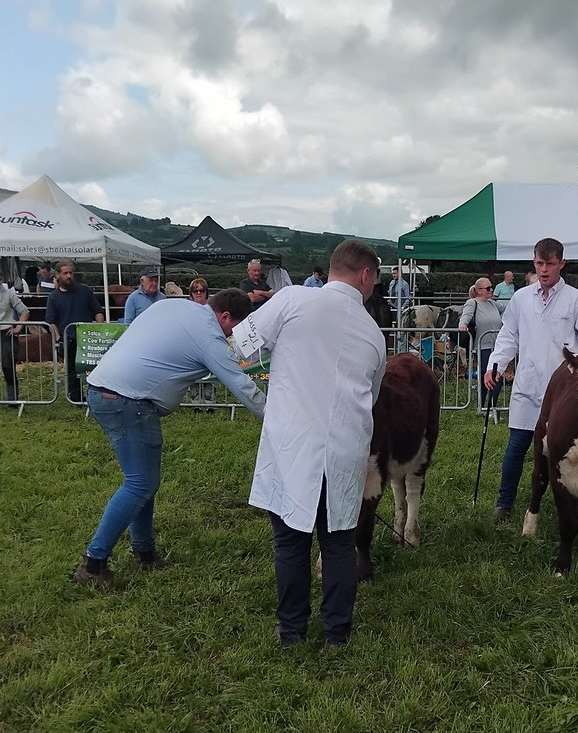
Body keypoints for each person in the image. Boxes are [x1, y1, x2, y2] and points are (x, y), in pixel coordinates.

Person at [71, 289, 268, 585]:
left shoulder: (173, 307)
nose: (233, 335)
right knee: (140, 484)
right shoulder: (208, 335)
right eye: (234, 328)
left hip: (108, 392)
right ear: (225, 316)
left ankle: (145, 552)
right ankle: (93, 564)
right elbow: (243, 387)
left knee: (143, 481)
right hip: (129, 401)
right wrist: (279, 420)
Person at [246, 239, 387, 648]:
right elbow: (372, 394)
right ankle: (336, 635)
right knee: (340, 541)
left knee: (290, 540)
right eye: (375, 280)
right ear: (365, 275)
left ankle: (291, 631)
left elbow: (240, 348)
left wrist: (273, 386)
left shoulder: (291, 301)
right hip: (344, 445)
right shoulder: (373, 334)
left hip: (293, 441)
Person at [486, 238, 578, 522]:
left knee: (569, 451)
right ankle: (505, 502)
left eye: (550, 263)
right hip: (528, 384)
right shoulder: (521, 298)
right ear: (533, 262)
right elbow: (508, 335)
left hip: (564, 391)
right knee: (516, 447)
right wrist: (495, 364)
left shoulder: (577, 299)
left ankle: (575, 502)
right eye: (539, 263)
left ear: (561, 263)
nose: (544, 269)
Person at [45, 262, 105, 403]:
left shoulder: (84, 290)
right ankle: (76, 399)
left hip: (88, 338)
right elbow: (50, 320)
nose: (69, 276)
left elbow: (97, 310)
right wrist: (59, 337)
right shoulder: (53, 297)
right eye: (65, 273)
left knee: (93, 369)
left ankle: (94, 397)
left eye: (70, 272)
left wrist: (100, 327)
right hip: (69, 338)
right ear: (58, 275)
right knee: (72, 371)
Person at [459, 276, 504, 418]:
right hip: (482, 346)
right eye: (488, 288)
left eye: (491, 287)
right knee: (491, 377)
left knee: (494, 377)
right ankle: (487, 408)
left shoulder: (493, 304)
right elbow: (465, 316)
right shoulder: (472, 303)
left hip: (496, 347)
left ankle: (488, 407)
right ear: (479, 291)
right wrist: (463, 324)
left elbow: (508, 310)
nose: (491, 290)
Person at [0, 283, 30, 402]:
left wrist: (18, 328)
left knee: (8, 367)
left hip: (6, 333)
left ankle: (13, 399)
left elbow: (24, 312)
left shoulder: (9, 294)